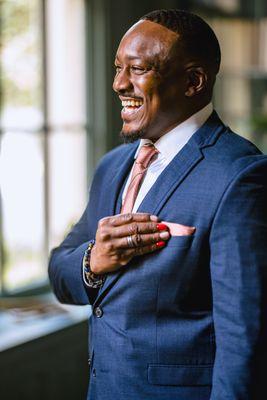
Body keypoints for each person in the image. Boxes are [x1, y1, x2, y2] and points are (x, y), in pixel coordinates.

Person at [49, 9, 267, 400]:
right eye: (117, 68)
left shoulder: (241, 176)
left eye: (137, 69)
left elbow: (245, 339)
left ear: (193, 81)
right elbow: (60, 271)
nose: (118, 84)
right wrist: (94, 260)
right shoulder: (111, 167)